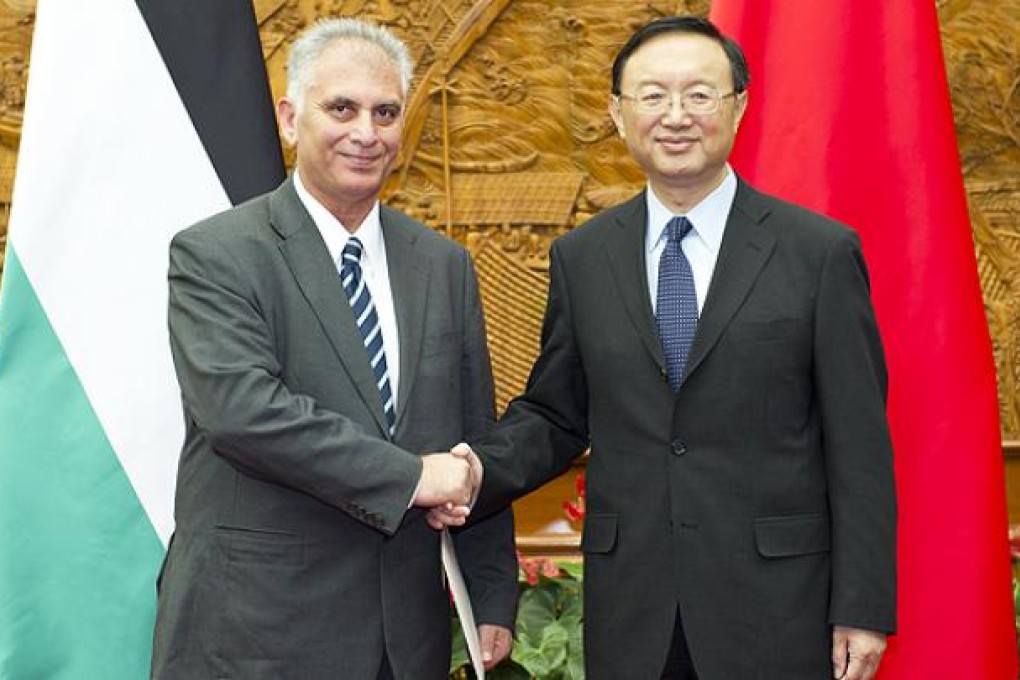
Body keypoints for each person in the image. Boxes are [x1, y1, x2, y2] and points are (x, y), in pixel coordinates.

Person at [438, 15, 896, 680]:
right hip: (636, 608)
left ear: (738, 107)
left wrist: (863, 607)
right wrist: (476, 470)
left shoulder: (817, 254)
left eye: (699, 95)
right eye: (652, 96)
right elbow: (557, 415)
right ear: (618, 115)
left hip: (776, 607)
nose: (676, 115)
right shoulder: (584, 257)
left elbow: (858, 444)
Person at [151, 18, 516, 679]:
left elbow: (472, 431)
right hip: (256, 632)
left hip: (403, 638)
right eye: (341, 108)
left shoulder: (444, 264)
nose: (366, 133)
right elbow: (244, 413)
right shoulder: (216, 253)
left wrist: (491, 591)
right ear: (291, 119)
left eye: (385, 112)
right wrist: (413, 478)